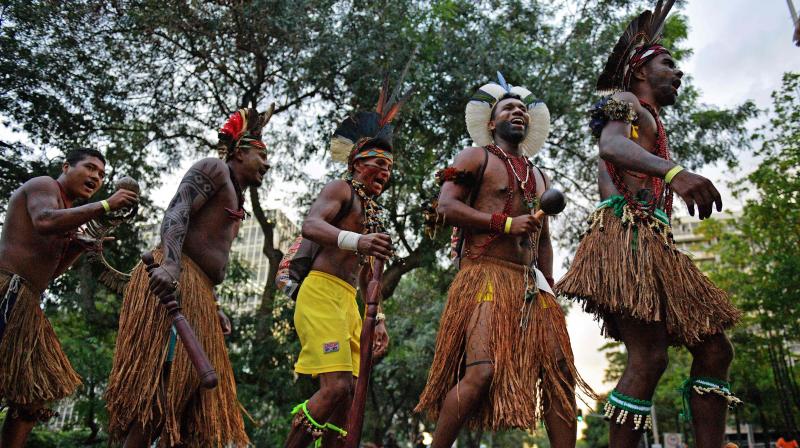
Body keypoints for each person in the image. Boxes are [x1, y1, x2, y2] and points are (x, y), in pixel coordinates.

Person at [555, 2, 742, 447]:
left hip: (655, 242)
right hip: (627, 239)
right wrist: (675, 174)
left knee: (714, 349)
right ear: (640, 70)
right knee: (648, 358)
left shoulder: (652, 121)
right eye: (668, 63)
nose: (678, 73)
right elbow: (610, 146)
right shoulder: (623, 102)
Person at [415, 73, 594, 448]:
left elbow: (543, 240)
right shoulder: (475, 156)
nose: (519, 112)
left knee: (560, 372)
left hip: (531, 284)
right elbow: (446, 207)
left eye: (523, 109)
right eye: (509, 108)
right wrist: (505, 222)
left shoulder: (540, 175)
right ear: (492, 122)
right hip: (484, 276)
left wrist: (549, 289)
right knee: (481, 373)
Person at [105, 106, 273, 447]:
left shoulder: (235, 197)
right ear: (240, 152)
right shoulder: (213, 169)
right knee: (160, 395)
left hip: (198, 292)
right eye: (262, 156)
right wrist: (170, 262)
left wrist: (212, 304)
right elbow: (178, 208)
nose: (267, 165)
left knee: (186, 408)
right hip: (176, 279)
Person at [283, 82, 408, 448]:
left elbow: (369, 273)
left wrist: (379, 318)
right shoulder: (341, 189)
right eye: (377, 164)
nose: (384, 172)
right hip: (320, 294)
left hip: (349, 304)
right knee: (335, 386)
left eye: (389, 167)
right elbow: (311, 225)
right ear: (357, 163)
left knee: (349, 398)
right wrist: (359, 240)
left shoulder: (373, 213)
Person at [0, 149, 139, 447]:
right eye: (90, 168)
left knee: (34, 395)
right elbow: (44, 220)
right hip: (5, 291)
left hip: (27, 304)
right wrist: (107, 204)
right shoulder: (44, 186)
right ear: (66, 167)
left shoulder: (70, 215)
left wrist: (78, 248)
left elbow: (49, 274)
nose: (96, 177)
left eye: (101, 175)